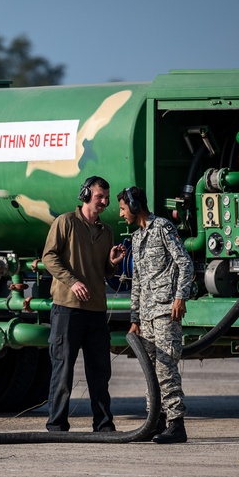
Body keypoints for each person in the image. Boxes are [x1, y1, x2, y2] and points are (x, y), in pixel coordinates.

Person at [42, 175, 122, 432]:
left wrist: (112, 263)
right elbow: (49, 257)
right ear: (86, 194)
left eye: (107, 198)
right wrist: (72, 281)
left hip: (96, 309)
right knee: (63, 370)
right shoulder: (65, 222)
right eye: (100, 196)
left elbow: (106, 272)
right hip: (67, 308)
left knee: (100, 372)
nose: (105, 202)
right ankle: (56, 424)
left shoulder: (106, 231)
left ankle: (103, 424)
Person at [116, 185, 194, 443]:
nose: (121, 214)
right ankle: (154, 421)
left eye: (123, 208)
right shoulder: (137, 239)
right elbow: (136, 282)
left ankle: (176, 424)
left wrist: (180, 297)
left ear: (135, 207)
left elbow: (185, 262)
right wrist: (134, 320)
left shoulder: (163, 228)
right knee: (150, 369)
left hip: (164, 311)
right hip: (146, 316)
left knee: (165, 367)